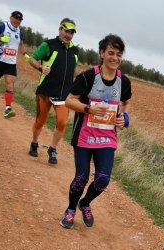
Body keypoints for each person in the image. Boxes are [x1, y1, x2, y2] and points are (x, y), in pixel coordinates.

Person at [60, 34, 131, 229]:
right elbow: (69, 100)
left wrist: (124, 118)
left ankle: (85, 203)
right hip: (84, 135)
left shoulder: (123, 81)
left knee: (102, 180)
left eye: (118, 54)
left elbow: (126, 103)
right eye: (110, 53)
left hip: (107, 137)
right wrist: (88, 109)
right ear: (102, 53)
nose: (114, 58)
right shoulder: (89, 76)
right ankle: (71, 209)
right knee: (81, 177)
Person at [27, 18, 80, 165]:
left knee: (62, 122)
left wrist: (81, 83)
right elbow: (32, 59)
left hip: (64, 94)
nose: (68, 35)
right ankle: (34, 142)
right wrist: (40, 68)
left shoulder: (75, 51)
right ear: (60, 29)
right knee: (41, 120)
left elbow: (74, 69)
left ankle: (53, 149)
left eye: (71, 33)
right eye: (66, 31)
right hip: (45, 91)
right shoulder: (48, 45)